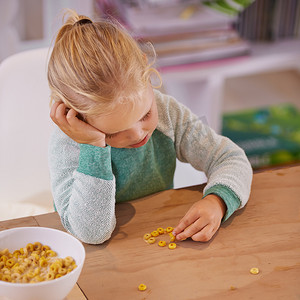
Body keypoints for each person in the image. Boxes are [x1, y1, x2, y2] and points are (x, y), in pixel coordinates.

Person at [48, 10, 253, 245]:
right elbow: (92, 233)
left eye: (145, 114)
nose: (138, 134)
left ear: (147, 75)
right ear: (77, 118)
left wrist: (218, 201)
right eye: (113, 133)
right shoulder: (68, 143)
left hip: (152, 235)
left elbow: (231, 158)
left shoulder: (167, 110)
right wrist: (94, 146)